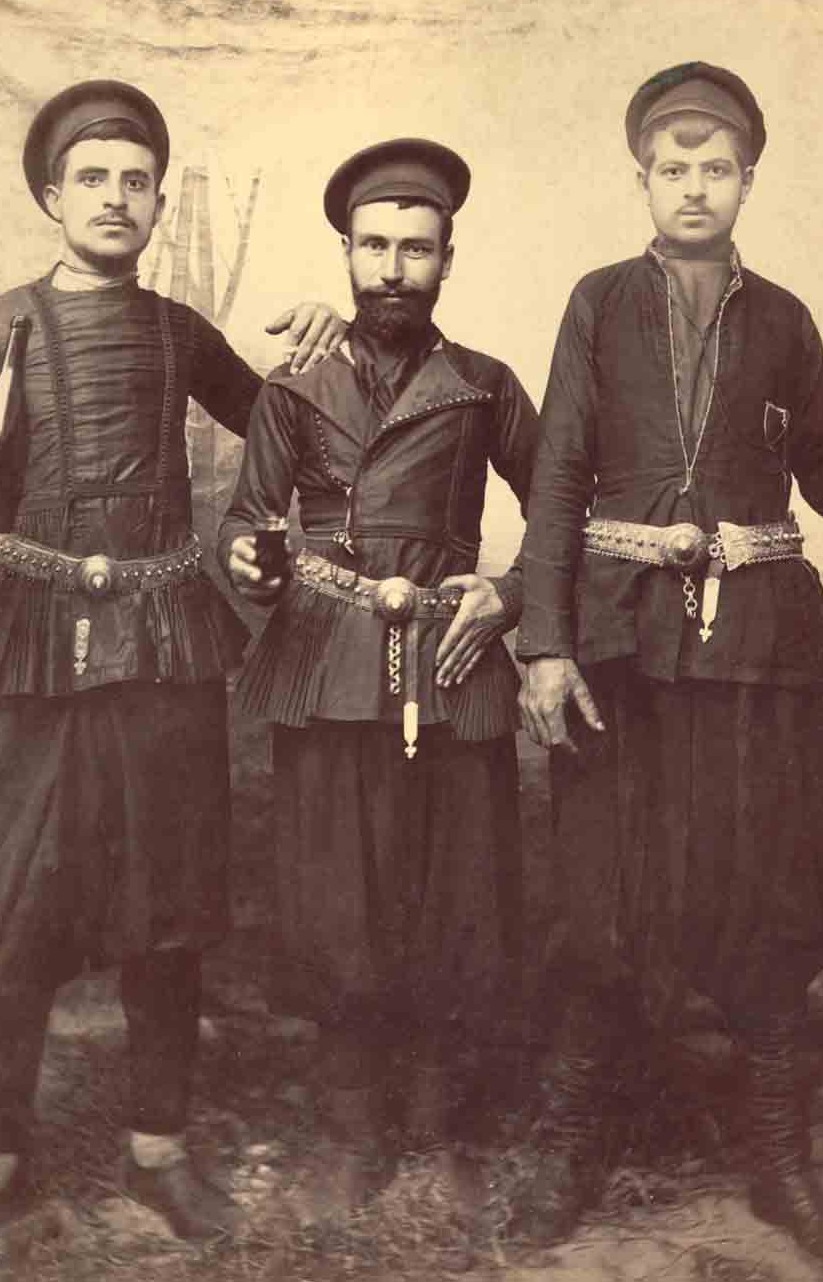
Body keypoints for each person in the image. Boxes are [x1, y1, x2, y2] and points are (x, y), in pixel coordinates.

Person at [0, 79, 345, 1271]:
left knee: (165, 911)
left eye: (136, 181)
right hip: (22, 650)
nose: (115, 198)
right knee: (11, 904)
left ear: (156, 204)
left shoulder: (179, 333)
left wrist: (324, 345)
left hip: (163, 647)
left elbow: (293, 434)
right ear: (51, 195)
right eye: (92, 177)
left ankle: (157, 1151)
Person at [514, 62, 823, 1270]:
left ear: (746, 179)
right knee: (602, 892)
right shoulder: (595, 303)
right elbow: (555, 480)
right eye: (671, 167)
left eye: (715, 168)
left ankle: (776, 1162)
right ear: (640, 177)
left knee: (768, 894)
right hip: (619, 645)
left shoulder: (786, 320)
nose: (692, 186)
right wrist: (543, 645)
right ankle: (572, 1147)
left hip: (756, 654)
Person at [219, 138, 539, 1225]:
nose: (393, 269)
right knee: (333, 897)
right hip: (326, 661)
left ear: (448, 257)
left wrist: (512, 595)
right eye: (373, 247)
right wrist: (250, 560)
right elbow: (245, 521)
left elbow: (565, 510)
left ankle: (443, 1133)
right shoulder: (292, 387)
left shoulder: (484, 384)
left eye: (415, 248)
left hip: (450, 658)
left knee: (457, 893)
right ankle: (353, 1134)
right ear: (346, 255)